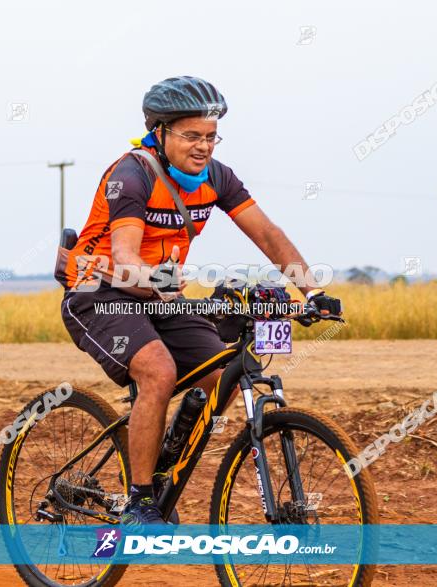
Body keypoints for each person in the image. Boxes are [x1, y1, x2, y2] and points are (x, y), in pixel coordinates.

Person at [57, 76, 342, 525]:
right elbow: (126, 255)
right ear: (160, 131)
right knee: (159, 370)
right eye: (191, 135)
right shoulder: (131, 175)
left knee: (221, 377)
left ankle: (166, 453)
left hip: (160, 294)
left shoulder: (217, 178)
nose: (204, 146)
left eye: (211, 136)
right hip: (98, 291)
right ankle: (140, 500)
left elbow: (267, 233)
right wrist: (156, 277)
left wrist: (313, 291)